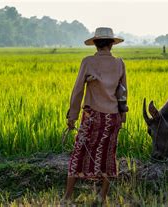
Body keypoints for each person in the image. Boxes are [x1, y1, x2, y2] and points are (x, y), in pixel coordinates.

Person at [63, 27, 127, 203]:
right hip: (112, 117)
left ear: (96, 44)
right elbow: (123, 93)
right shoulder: (120, 63)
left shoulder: (88, 62)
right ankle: (102, 196)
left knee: (79, 152)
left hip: (92, 117)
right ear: (111, 45)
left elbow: (78, 90)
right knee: (108, 154)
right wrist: (123, 117)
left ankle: (68, 196)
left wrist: (72, 116)